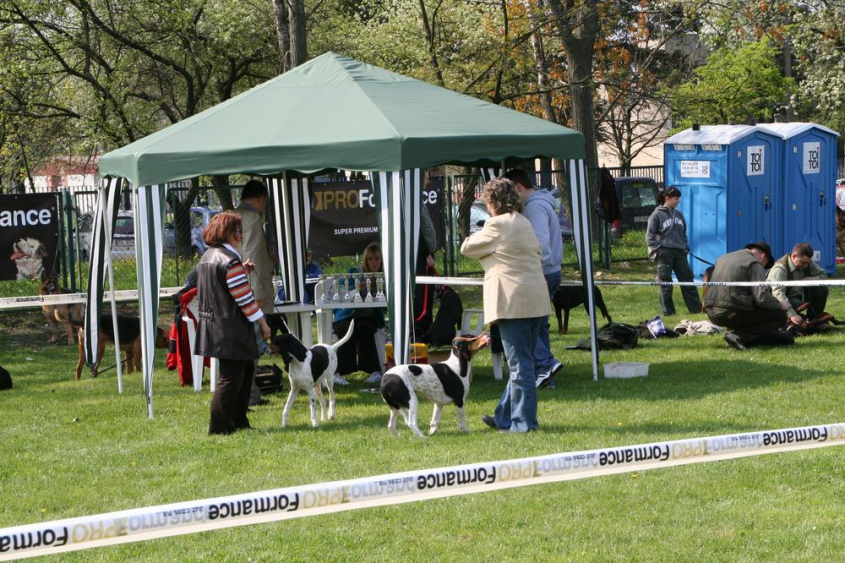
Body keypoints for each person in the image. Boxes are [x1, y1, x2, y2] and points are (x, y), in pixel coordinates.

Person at [461, 178, 550, 433]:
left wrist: (489, 251)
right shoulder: (523, 222)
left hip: (513, 303)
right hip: (536, 300)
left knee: (520, 367)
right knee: (523, 363)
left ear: (492, 202)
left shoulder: (496, 224)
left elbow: (466, 248)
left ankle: (524, 424)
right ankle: (504, 417)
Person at [195, 211, 271, 435]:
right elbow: (244, 299)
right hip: (230, 329)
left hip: (214, 327)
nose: (242, 236)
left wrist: (242, 271)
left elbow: (221, 286)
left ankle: (238, 421)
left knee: (245, 372)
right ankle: (219, 428)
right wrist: (263, 323)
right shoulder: (230, 260)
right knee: (230, 379)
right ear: (226, 232)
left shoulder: (207, 256)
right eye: (238, 231)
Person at [504, 168, 563, 389]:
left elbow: (541, 246)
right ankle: (545, 375)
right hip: (547, 271)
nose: (509, 200)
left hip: (541, 272)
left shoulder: (535, 207)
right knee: (538, 327)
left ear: (519, 187)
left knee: (526, 325)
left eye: (510, 193)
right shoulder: (540, 204)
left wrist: (530, 270)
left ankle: (546, 365)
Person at [703, 241, 793, 351]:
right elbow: (762, 298)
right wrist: (780, 305)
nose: (763, 267)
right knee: (780, 316)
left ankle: (737, 336)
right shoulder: (754, 263)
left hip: (711, 311)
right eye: (764, 265)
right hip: (729, 311)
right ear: (763, 257)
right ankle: (738, 335)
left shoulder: (723, 258)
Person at [234, 179, 275, 407]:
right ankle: (249, 395)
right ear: (262, 198)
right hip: (252, 290)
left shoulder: (232, 214)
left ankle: (246, 393)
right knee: (254, 344)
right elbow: (251, 257)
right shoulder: (251, 218)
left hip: (238, 289)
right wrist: (254, 293)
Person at [332, 242, 385, 385]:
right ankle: (339, 372)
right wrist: (356, 289)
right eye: (370, 259)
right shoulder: (353, 273)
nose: (374, 262)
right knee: (346, 331)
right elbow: (341, 294)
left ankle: (374, 371)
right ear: (365, 260)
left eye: (377, 259)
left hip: (367, 317)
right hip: (345, 316)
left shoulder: (384, 277)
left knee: (366, 329)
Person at [646, 186, 701, 316]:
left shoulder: (679, 214)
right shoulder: (656, 215)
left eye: (678, 198)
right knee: (666, 284)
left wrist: (685, 246)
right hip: (665, 252)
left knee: (688, 281)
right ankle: (669, 313)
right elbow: (649, 237)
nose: (678, 201)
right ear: (667, 198)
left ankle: (696, 310)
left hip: (680, 253)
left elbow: (683, 233)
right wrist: (659, 251)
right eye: (676, 198)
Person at [767, 242, 829, 329]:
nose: (806, 265)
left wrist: (812, 279)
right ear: (793, 256)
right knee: (797, 303)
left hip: (800, 295)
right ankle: (793, 321)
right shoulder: (779, 270)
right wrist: (792, 315)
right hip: (782, 300)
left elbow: (824, 275)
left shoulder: (807, 263)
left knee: (822, 289)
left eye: (808, 262)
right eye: (803, 262)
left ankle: (815, 318)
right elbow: (778, 294)